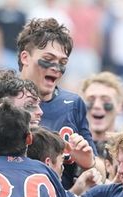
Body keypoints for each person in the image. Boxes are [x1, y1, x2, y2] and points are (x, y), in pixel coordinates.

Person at [16, 17, 96, 188]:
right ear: (25, 57)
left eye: (62, 62)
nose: (56, 68)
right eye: (48, 58)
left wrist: (89, 164)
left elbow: (98, 169)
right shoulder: (3, 100)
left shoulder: (73, 104)